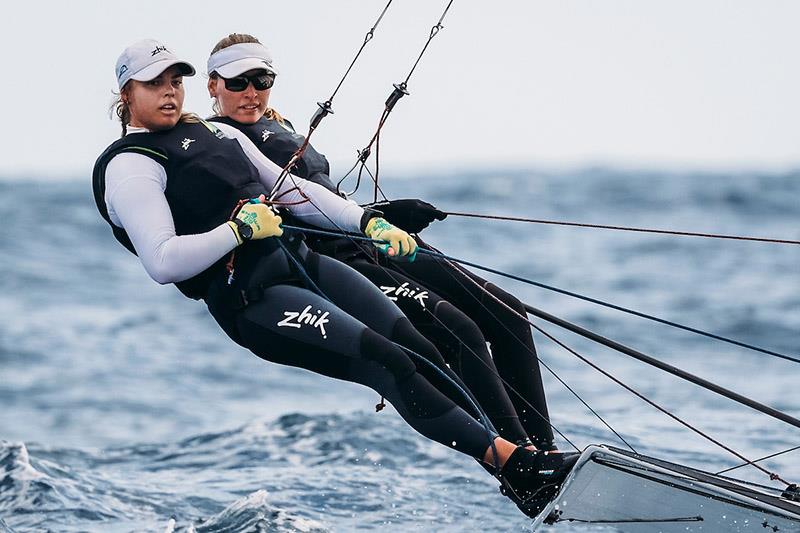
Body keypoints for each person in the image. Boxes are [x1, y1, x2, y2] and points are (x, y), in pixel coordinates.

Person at [92, 39, 578, 519]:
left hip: (303, 263)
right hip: (254, 298)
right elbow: (162, 262)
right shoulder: (131, 165)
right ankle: (517, 465)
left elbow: (297, 192)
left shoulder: (220, 135)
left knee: (419, 345)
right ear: (126, 94)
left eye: (175, 80)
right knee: (386, 360)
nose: (169, 91)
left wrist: (368, 222)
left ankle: (525, 467)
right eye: (153, 83)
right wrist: (236, 231)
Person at [205, 34, 559, 455]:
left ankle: (547, 452)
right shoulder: (220, 143)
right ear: (213, 85)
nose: (251, 93)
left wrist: (385, 213)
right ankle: (521, 457)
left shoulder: (278, 124)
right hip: (335, 261)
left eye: (261, 80)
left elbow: (319, 199)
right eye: (237, 82)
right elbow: (279, 212)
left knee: (505, 312)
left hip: (365, 239)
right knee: (457, 331)